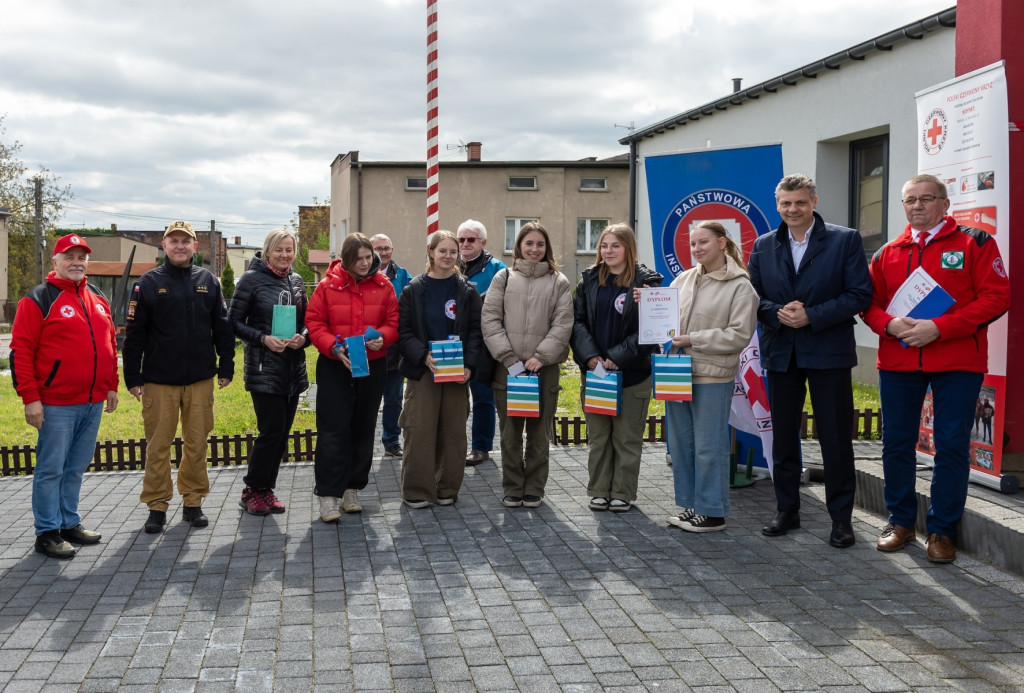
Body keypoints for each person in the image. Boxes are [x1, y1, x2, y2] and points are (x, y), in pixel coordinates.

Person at [862, 174, 1010, 563]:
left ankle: (942, 530)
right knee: (896, 442)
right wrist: (888, 325)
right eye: (910, 200)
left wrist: (939, 329)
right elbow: (869, 304)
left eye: (927, 199)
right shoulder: (887, 252)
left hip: (957, 361)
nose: (918, 206)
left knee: (951, 445)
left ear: (945, 204)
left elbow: (997, 297)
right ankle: (900, 521)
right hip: (898, 360)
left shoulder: (974, 242)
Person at [747, 174, 872, 548]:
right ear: (778, 205)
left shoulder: (844, 239)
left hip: (828, 350)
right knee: (783, 437)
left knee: (835, 439)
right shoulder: (763, 245)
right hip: (781, 352)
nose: (792, 210)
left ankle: (841, 519)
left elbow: (859, 294)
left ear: (814, 202)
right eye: (785, 203)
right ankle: (787, 510)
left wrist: (812, 315)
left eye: (800, 202)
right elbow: (751, 295)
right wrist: (775, 312)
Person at [11, 234, 119, 558]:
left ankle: (69, 522)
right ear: (54, 261)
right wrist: (30, 399)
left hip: (92, 402)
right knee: (51, 469)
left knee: (75, 467)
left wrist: (111, 385)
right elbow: (20, 352)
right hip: (55, 404)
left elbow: (111, 345)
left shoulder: (97, 297)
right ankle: (47, 532)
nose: (76, 262)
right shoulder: (38, 299)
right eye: (68, 256)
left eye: (81, 257)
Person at [123, 220, 235, 534]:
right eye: (174, 240)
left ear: (194, 246)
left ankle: (193, 502)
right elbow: (135, 335)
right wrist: (133, 376)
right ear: (164, 245)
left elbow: (222, 328)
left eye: (185, 241)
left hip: (200, 379)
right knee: (157, 446)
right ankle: (157, 506)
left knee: (197, 444)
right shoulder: (146, 283)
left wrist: (226, 365)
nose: (180, 246)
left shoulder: (209, 281)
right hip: (159, 381)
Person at [662, 222, 758, 532]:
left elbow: (739, 335)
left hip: (712, 376)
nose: (697, 248)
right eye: (693, 244)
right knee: (682, 446)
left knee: (708, 446)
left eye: (703, 242)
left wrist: (694, 339)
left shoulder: (741, 285)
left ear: (721, 243)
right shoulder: (684, 279)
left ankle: (713, 512)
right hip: (676, 373)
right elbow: (666, 318)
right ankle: (692, 506)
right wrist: (650, 305)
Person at [305, 233, 399, 522]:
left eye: (368, 257)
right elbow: (315, 322)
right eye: (358, 259)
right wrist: (333, 347)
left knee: (363, 428)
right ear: (346, 260)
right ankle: (328, 496)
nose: (364, 263)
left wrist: (382, 338)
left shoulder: (384, 286)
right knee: (333, 430)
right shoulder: (326, 286)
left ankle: (352, 489)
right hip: (335, 366)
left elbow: (393, 322)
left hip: (372, 367)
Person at [570, 223, 663, 513]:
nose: (608, 251)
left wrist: (618, 357)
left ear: (629, 248)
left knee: (626, 438)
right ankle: (599, 489)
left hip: (632, 375)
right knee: (598, 438)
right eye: (604, 246)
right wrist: (592, 357)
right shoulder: (588, 280)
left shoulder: (646, 282)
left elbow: (653, 328)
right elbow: (577, 322)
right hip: (597, 374)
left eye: (615, 246)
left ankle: (622, 492)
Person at [481, 222, 573, 509]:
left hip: (543, 371)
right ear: (519, 245)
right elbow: (490, 319)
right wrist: (508, 357)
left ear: (547, 249)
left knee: (538, 433)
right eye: (529, 243)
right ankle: (512, 486)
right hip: (508, 369)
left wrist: (541, 357)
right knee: (509, 433)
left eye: (540, 244)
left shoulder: (559, 282)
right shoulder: (503, 278)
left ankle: (534, 487)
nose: (534, 249)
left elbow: (563, 324)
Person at [398, 230, 483, 508]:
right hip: (425, 371)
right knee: (419, 430)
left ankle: (447, 488)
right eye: (442, 251)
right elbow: (405, 331)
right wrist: (423, 356)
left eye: (453, 252)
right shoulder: (414, 289)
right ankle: (417, 490)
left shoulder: (467, 291)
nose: (448, 256)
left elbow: (475, 332)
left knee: (453, 432)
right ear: (431, 252)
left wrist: (470, 364)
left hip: (457, 372)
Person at [228, 229, 309, 516]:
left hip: (292, 369)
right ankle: (251, 489)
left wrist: (303, 336)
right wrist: (263, 338)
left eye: (289, 249)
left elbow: (308, 321)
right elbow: (233, 322)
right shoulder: (251, 279)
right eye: (279, 249)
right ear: (268, 250)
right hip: (264, 368)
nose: (285, 254)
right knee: (270, 430)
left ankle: (266, 489)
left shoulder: (297, 280)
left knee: (282, 433)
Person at [457, 219, 507, 466]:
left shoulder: (498, 268)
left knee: (483, 396)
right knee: (453, 397)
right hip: (455, 343)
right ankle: (453, 446)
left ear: (483, 242)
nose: (465, 244)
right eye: (462, 240)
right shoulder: (450, 264)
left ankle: (481, 447)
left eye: (471, 239)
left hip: (485, 344)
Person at [371, 233, 412, 458]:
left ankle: (391, 440)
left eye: (387, 248)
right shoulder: (362, 274)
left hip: (394, 351)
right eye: (378, 248)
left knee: (394, 399)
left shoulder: (404, 276)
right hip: (367, 351)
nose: (383, 252)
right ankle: (364, 440)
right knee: (367, 398)